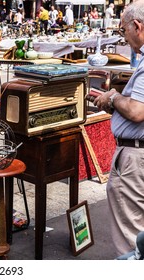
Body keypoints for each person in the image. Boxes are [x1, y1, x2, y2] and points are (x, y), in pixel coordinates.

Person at [93, 0, 144, 256]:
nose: (124, 37)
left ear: (138, 26)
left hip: (136, 158)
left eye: (123, 30)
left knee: (131, 245)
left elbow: (137, 111)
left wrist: (113, 98)